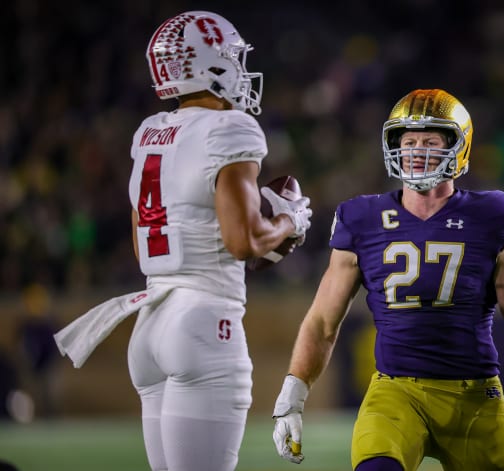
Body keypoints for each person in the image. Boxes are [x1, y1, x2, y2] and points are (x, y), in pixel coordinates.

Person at [54, 10, 312, 471]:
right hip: (204, 324)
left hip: (151, 321)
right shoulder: (230, 127)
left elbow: (143, 247)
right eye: (232, 58)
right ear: (210, 65)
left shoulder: (150, 133)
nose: (239, 68)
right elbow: (244, 241)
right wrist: (289, 221)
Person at [272, 89, 504, 471]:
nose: (417, 151)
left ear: (458, 147)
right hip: (395, 393)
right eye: (408, 142)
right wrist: (292, 395)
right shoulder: (360, 217)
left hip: (475, 398)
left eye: (430, 141)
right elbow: (323, 322)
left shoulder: (494, 213)